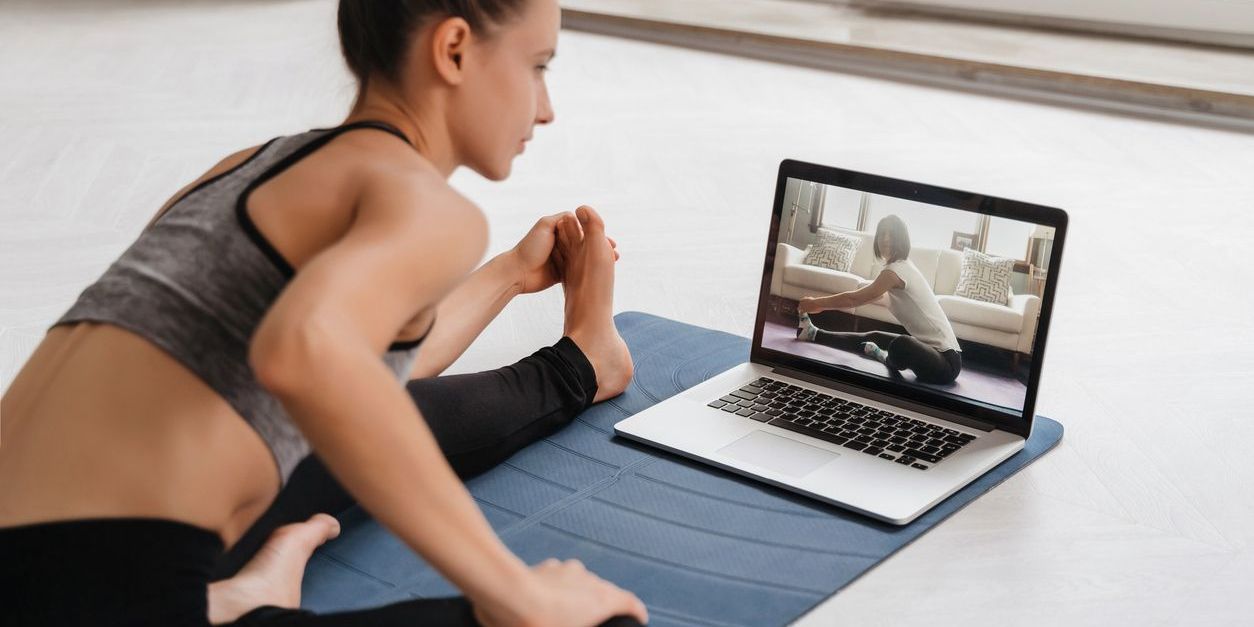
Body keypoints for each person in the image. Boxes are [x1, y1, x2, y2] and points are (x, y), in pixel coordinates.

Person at [0, 1, 650, 626]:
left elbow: (356, 368)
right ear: (453, 49)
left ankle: (583, 364)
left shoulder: (252, 167)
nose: (547, 108)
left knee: (362, 416)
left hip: (46, 559)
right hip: (97, 599)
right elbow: (306, 355)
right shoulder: (427, 205)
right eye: (539, 65)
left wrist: (508, 274)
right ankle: (237, 606)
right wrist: (524, 597)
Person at [795, 215, 963, 385]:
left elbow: (854, 299)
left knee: (902, 344)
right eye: (882, 234)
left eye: (891, 234)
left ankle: (885, 358)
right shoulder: (897, 269)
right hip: (927, 352)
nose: (886, 239)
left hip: (947, 363)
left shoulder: (897, 271)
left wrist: (817, 303)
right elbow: (863, 296)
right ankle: (814, 334)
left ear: (901, 239)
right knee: (875, 336)